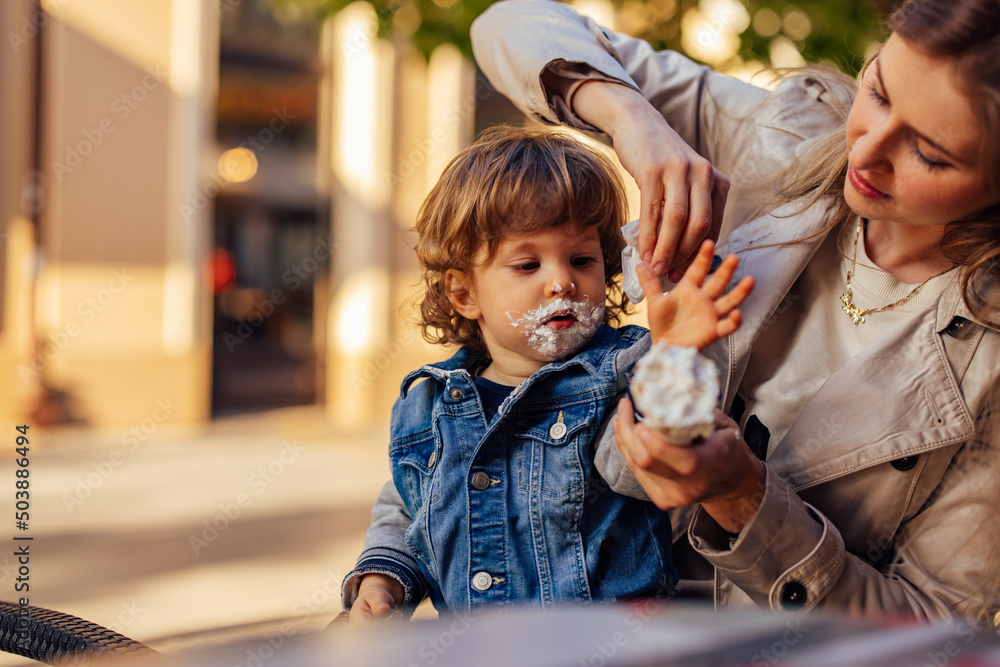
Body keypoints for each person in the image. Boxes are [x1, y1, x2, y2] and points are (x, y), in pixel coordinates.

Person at [471, 0, 1000, 622]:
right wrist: (632, 120)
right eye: (879, 92)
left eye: (930, 154)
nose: (865, 153)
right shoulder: (785, 138)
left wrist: (743, 500)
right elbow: (507, 23)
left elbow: (932, 633)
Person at [340, 126, 754, 619]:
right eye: (527, 264)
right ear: (464, 294)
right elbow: (408, 508)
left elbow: (642, 473)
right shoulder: (428, 402)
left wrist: (673, 357)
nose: (561, 282)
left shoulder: (626, 372)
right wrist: (383, 578)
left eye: (581, 260)